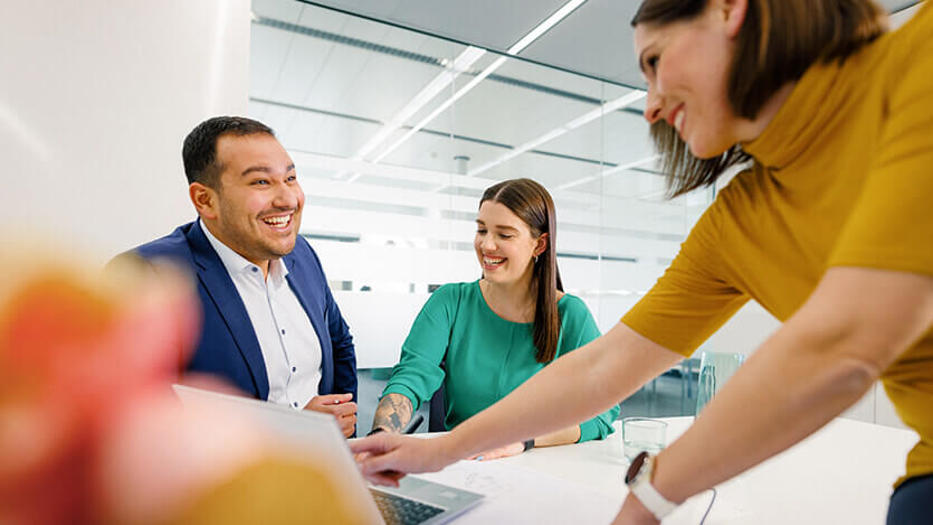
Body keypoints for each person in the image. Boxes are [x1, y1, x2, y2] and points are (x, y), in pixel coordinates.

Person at [351, 1, 933, 523]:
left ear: (731, 10)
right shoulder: (742, 219)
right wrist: (441, 449)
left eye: (655, 62)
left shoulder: (919, 60)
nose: (651, 108)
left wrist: (650, 496)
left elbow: (844, 343)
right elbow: (604, 368)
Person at [120, 116, 358, 437]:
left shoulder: (302, 255)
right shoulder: (147, 275)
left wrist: (342, 445)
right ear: (205, 200)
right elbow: (134, 420)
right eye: (261, 182)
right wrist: (293, 434)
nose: (287, 199)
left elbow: (338, 343)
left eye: (290, 177)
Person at [368, 178, 618, 458]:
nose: (487, 244)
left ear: (539, 245)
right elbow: (410, 378)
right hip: (463, 464)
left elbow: (603, 413)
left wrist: (525, 440)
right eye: (482, 230)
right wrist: (382, 435)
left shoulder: (571, 315)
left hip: (539, 467)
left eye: (504, 235)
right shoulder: (450, 302)